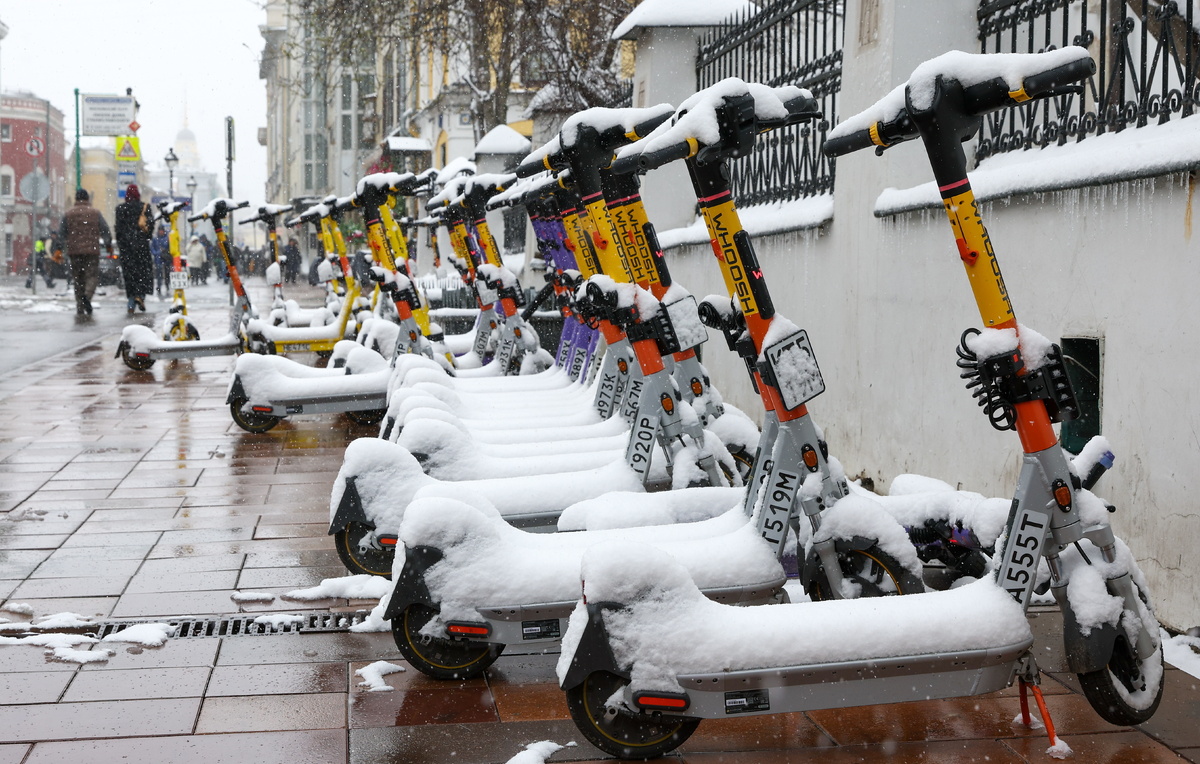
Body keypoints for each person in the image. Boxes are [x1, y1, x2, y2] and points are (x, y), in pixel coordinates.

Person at [56, 188, 113, 317]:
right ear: (87, 199)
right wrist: (108, 243)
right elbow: (105, 230)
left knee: (78, 279)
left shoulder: (68, 214)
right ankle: (87, 297)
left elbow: (61, 233)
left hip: (74, 252)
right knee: (91, 276)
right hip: (91, 251)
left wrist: (59, 248)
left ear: (76, 199)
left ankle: (80, 306)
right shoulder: (95, 213)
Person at [114, 184, 155, 313]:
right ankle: (141, 296)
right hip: (141, 246)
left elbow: (118, 230)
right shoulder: (145, 207)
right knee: (142, 272)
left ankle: (131, 302)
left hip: (127, 248)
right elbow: (150, 227)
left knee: (129, 274)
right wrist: (144, 238)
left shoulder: (120, 209)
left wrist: (122, 244)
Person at [150, 225, 170, 298]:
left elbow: (169, 248)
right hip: (158, 260)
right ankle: (159, 288)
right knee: (159, 275)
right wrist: (157, 253)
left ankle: (167, 286)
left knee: (167, 274)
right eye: (160, 230)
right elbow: (152, 248)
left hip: (166, 259)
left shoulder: (167, 238)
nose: (161, 232)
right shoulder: (155, 239)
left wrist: (165, 252)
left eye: (162, 230)